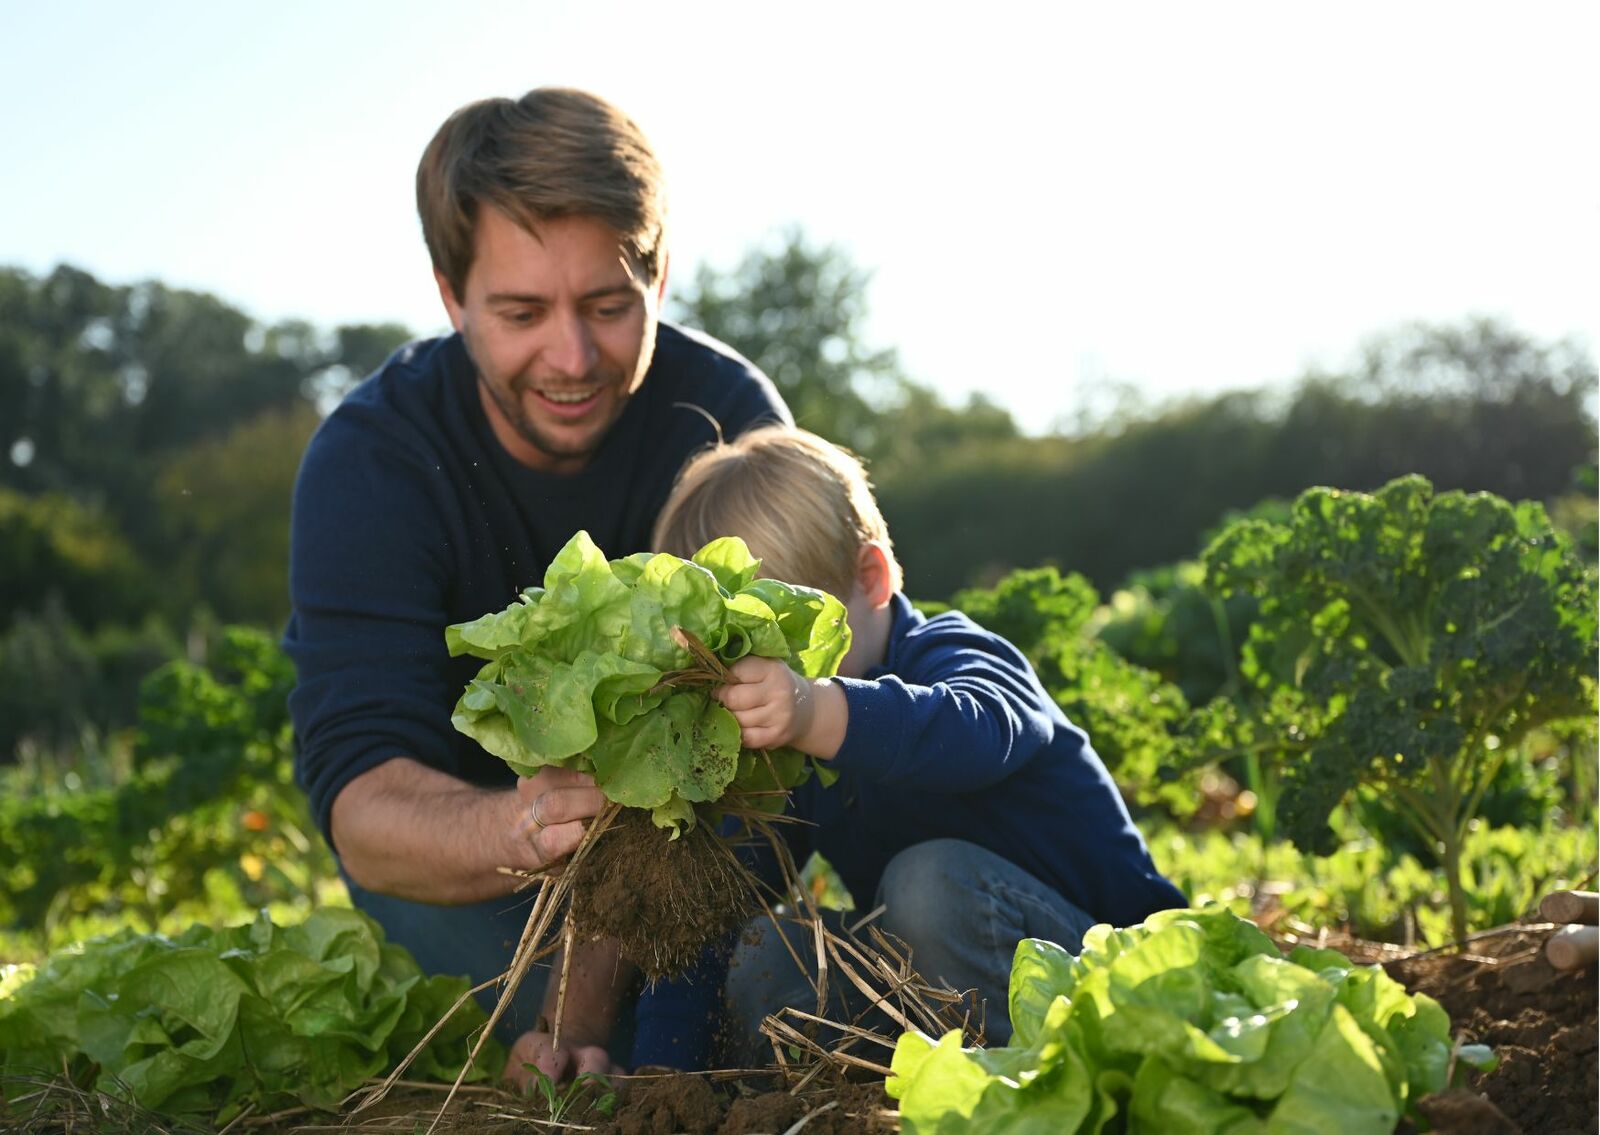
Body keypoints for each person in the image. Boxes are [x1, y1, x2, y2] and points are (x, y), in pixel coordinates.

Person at [281, 88, 790, 1081]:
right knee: (660, 1036)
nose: (572, 357)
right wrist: (531, 827)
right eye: (521, 313)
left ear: (659, 277)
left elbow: (763, 752)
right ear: (451, 297)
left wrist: (581, 1002)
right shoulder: (372, 461)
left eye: (608, 307)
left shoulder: (728, 423)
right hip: (480, 874)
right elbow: (366, 807)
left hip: (695, 868)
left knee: (734, 1008)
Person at [649, 427, 1187, 1064]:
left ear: (870, 578)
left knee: (926, 887)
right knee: (768, 952)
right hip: (945, 983)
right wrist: (659, 1068)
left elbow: (981, 730)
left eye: (787, 645)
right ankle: (855, 1088)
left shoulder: (951, 653)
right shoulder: (792, 752)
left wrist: (814, 707)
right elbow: (716, 906)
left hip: (1110, 963)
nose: (770, 679)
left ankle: (1022, 1082)